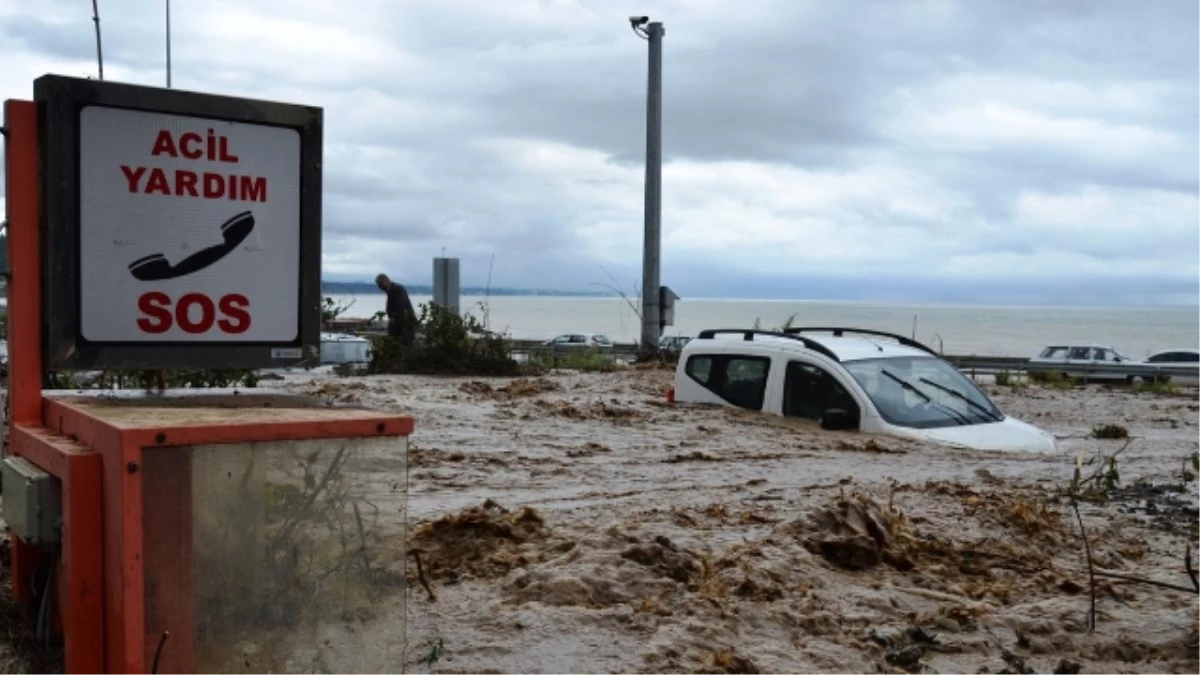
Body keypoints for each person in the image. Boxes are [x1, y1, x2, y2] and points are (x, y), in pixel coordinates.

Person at [375, 273, 418, 344]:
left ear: (386, 280)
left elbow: (401, 305)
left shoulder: (396, 289)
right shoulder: (393, 289)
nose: (380, 287)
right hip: (400, 322)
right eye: (379, 285)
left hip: (403, 323)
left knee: (402, 344)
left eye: (381, 284)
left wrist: (394, 317)